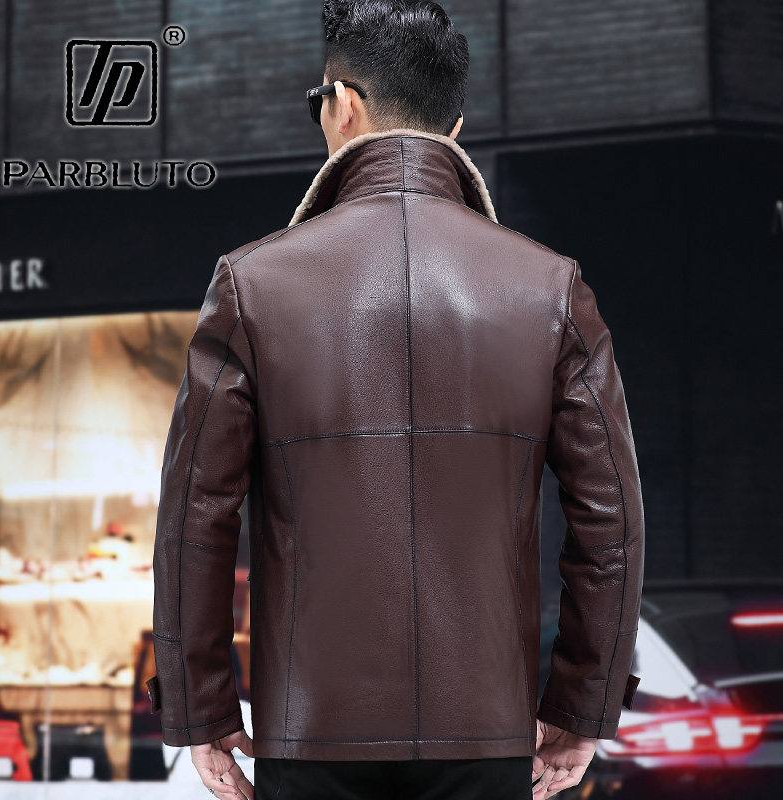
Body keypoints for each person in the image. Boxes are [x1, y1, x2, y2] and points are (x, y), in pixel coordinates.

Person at [146, 1, 645, 799]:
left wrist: (199, 706)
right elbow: (609, 519)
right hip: (487, 730)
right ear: (455, 128)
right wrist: (581, 704)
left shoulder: (251, 285)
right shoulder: (551, 288)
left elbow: (194, 516)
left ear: (342, 104)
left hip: (309, 732)